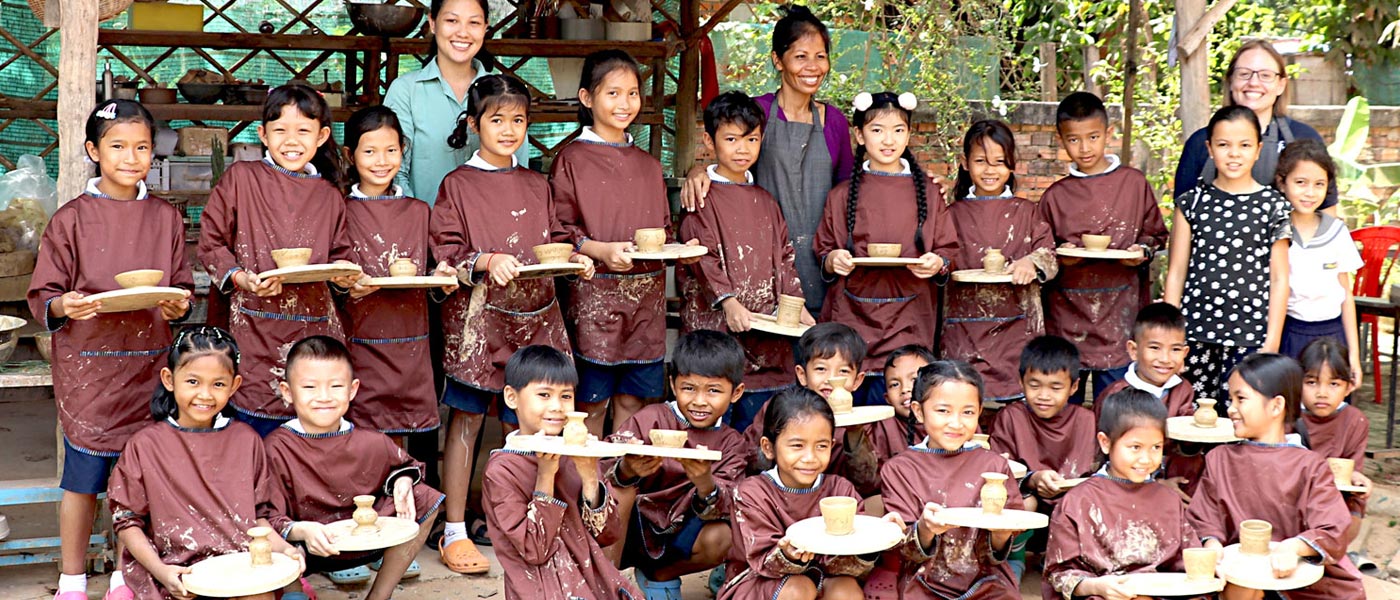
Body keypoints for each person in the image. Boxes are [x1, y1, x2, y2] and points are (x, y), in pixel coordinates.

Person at [30, 99, 194, 600]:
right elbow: (45, 294)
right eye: (118, 146)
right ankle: (72, 579)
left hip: (148, 364)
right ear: (92, 151)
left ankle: (128, 576)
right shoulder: (72, 219)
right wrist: (66, 306)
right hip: (90, 371)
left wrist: (175, 308)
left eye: (142, 147)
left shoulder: (165, 218)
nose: (131, 156)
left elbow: (181, 286)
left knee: (136, 479)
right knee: (83, 477)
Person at [429, 74, 590, 575]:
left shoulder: (537, 183)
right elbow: (445, 249)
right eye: (496, 120)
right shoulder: (457, 185)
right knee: (468, 419)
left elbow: (560, 236)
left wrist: (578, 256)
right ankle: (455, 528)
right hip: (479, 322)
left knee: (531, 419)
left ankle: (517, 519)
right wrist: (484, 259)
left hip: (538, 314)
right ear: (474, 124)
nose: (508, 129)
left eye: (518, 120)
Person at [196, 84, 358, 436]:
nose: (291, 140)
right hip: (254, 326)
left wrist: (345, 275)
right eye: (280, 130)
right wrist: (240, 278)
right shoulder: (243, 179)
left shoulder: (329, 195)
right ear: (263, 135)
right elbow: (210, 243)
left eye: (303, 130)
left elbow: (340, 254)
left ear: (322, 136)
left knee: (309, 429)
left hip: (313, 326)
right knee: (254, 434)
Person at [553, 50, 694, 436]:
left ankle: (621, 492)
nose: (625, 103)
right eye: (613, 93)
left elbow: (662, 229)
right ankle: (589, 490)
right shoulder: (572, 159)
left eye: (632, 93)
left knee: (633, 404)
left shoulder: (649, 166)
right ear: (587, 98)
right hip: (592, 299)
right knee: (591, 404)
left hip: (644, 304)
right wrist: (599, 251)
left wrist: (677, 246)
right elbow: (559, 230)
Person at [107, 327, 304, 599]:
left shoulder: (247, 441)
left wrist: (285, 550)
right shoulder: (145, 445)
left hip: (241, 567)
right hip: (177, 574)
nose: (205, 395)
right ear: (169, 379)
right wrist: (162, 571)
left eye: (218, 384)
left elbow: (260, 517)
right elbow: (127, 522)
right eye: (193, 382)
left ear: (234, 386)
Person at [682, 4, 854, 314]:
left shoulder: (836, 122)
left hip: (823, 264)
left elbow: (849, 193)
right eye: (800, 57)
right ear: (778, 60)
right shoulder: (758, 112)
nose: (812, 67)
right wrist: (699, 170)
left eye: (820, 56)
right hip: (760, 266)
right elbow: (729, 153)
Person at [264, 336, 443, 594]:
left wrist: (402, 481)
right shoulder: (276, 447)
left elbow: (406, 465)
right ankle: (295, 591)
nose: (324, 397)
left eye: (336, 386)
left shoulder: (369, 441)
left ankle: (380, 594)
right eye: (310, 387)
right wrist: (301, 532)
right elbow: (266, 515)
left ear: (352, 390)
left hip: (365, 538)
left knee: (425, 497)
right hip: (306, 545)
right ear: (287, 392)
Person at [677, 90, 811, 433]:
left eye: (751, 139)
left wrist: (797, 307)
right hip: (718, 329)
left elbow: (784, 256)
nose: (742, 149)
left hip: (768, 336)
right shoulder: (701, 196)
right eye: (731, 139)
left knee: (763, 425)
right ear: (710, 140)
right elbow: (699, 255)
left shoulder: (766, 200)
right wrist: (729, 301)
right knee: (717, 421)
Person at [815, 91, 958, 407]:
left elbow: (949, 249)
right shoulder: (841, 195)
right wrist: (833, 260)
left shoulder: (929, 193)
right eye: (877, 130)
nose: (888, 140)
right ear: (859, 135)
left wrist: (937, 262)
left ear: (909, 134)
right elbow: (824, 249)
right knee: (851, 410)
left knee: (908, 407)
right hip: (853, 317)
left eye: (898, 130)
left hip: (911, 317)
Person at [1187, 353, 1364, 599]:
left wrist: (1294, 547)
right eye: (1230, 399)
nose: (1231, 408)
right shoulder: (1219, 459)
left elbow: (1333, 527)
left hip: (1297, 582)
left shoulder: (1310, 466)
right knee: (1241, 584)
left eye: (1241, 399)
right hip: (1237, 578)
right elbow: (1204, 518)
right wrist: (1212, 546)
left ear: (1276, 406)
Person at [481, 345, 641, 599]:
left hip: (591, 581)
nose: (557, 406)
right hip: (541, 591)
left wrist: (589, 473)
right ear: (512, 397)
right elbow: (535, 549)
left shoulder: (575, 454)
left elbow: (608, 534)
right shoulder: (502, 469)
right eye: (544, 395)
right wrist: (545, 475)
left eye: (566, 396)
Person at [1039, 92, 1166, 403]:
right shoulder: (1056, 196)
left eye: (1093, 137)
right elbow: (1040, 251)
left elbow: (1157, 236)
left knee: (1116, 408)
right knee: (1062, 409)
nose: (1084, 148)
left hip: (1119, 319)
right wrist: (1059, 256)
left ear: (1108, 134)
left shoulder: (1133, 184)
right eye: (1074, 140)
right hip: (1067, 319)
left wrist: (1141, 251)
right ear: (1060, 140)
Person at [338, 105, 457, 436]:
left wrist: (443, 279)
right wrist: (345, 285)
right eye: (370, 151)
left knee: (413, 436)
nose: (381, 160)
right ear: (350, 154)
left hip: (413, 348)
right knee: (360, 435)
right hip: (359, 341)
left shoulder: (419, 211)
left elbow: (435, 269)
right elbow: (330, 275)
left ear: (403, 151)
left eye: (391, 150)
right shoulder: (340, 210)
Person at [604, 330, 750, 599]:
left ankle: (661, 574)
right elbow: (605, 464)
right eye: (689, 388)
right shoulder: (650, 418)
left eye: (714, 390)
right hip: (633, 528)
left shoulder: (732, 443)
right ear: (673, 385)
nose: (699, 401)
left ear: (736, 392)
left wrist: (705, 482)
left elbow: (732, 501)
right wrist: (627, 469)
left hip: (682, 531)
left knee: (727, 536)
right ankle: (606, 583)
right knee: (618, 489)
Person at [1165, 105, 1292, 401]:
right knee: (1192, 419)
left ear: (1259, 149)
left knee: (1241, 417)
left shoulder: (1274, 206)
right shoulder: (1191, 204)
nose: (1234, 153)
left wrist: (1271, 341)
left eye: (1244, 145)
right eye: (1224, 145)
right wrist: (1172, 341)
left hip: (1250, 337)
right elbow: (1176, 273)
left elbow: (1279, 279)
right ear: (1209, 148)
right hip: (1195, 333)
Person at [718, 388, 893, 600]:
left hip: (823, 578)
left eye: (821, 446)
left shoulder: (840, 491)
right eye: (797, 446)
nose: (810, 457)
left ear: (832, 445)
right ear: (768, 447)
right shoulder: (752, 493)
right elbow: (763, 561)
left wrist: (877, 536)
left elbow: (850, 561)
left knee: (845, 589)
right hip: (759, 582)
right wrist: (787, 555)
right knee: (800, 588)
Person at [880, 361, 1023, 599]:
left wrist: (1001, 534)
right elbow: (904, 550)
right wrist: (925, 529)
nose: (956, 423)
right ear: (918, 411)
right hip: (924, 583)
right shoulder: (900, 469)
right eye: (943, 411)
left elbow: (997, 553)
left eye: (967, 412)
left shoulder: (994, 467)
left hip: (986, 583)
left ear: (979, 412)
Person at [1042, 388, 1202, 600]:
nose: (1146, 459)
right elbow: (1060, 574)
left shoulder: (1169, 499)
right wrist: (1096, 587)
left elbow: (1189, 560)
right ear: (1105, 442)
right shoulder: (1078, 501)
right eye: (1135, 447)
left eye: (1156, 447)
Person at [944, 119, 1058, 402]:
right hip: (964, 329)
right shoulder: (951, 214)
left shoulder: (1027, 212)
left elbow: (1050, 256)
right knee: (964, 401)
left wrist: (1031, 262)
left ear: (1012, 164)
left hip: (1016, 330)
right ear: (965, 163)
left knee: (1016, 409)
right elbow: (939, 255)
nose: (990, 170)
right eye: (981, 161)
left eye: (998, 161)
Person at [384, 0, 528, 204]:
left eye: (474, 23)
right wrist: (421, 223)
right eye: (452, 20)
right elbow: (395, 173)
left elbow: (519, 172)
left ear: (486, 28)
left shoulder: (504, 93)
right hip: (425, 230)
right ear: (432, 23)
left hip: (493, 230)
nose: (463, 32)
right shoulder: (405, 91)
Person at [1174, 39, 1338, 213]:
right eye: (1244, 74)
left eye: (1265, 75)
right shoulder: (1200, 142)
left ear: (1281, 85)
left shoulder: (1303, 138)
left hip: (1294, 240)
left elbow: (1327, 215)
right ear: (1231, 81)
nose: (1253, 82)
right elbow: (1183, 215)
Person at [742, 323, 878, 496]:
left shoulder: (860, 420)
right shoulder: (779, 408)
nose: (832, 379)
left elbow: (866, 485)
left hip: (833, 501)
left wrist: (855, 434)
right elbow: (751, 463)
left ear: (858, 380)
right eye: (821, 369)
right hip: (777, 498)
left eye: (843, 371)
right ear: (802, 375)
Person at [1093, 302, 1203, 497]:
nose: (1165, 359)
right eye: (1155, 348)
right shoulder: (1118, 394)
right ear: (1133, 350)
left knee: (1196, 463)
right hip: (1127, 475)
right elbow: (1106, 454)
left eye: (1175, 350)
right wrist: (1158, 484)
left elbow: (1185, 444)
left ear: (1185, 353)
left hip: (1170, 470)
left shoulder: (1182, 388)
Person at [1276, 139, 1363, 377]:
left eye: (1319, 184)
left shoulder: (1337, 231)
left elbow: (1346, 295)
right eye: (1300, 182)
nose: (1310, 192)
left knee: (1330, 405)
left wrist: (1354, 356)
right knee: (1291, 405)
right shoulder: (1276, 232)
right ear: (1282, 183)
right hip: (1290, 333)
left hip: (1333, 335)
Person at [990, 336, 1098, 512]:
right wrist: (1032, 479)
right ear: (1021, 381)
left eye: (1055, 388)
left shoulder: (1085, 420)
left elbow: (1094, 472)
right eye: (1034, 386)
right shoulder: (1012, 417)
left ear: (1074, 387)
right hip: (1025, 499)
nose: (1044, 396)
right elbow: (997, 468)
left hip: (1074, 502)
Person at [1296, 338, 1372, 548]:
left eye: (1334, 384)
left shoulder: (1355, 421)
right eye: (1312, 382)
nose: (1322, 392)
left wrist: (1358, 481)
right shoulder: (1288, 417)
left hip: (1334, 505)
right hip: (1291, 503)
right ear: (1298, 383)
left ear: (1348, 387)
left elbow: (1352, 473)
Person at [867, 344, 934, 462]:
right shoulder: (883, 428)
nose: (905, 389)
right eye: (895, 384)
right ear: (887, 399)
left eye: (914, 379)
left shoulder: (954, 418)